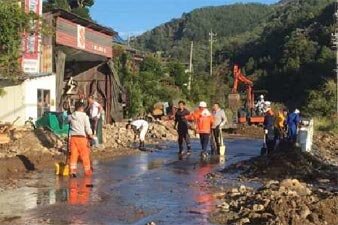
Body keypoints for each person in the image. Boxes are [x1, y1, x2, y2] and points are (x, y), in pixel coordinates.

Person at [68, 101, 93, 177]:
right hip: (82, 138)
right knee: (85, 155)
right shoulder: (85, 117)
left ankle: (72, 172)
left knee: (73, 155)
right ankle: (87, 172)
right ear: (82, 108)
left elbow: (66, 121)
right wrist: (90, 135)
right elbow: (87, 128)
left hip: (73, 138)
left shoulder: (71, 116)